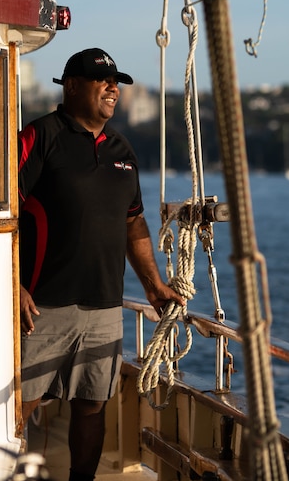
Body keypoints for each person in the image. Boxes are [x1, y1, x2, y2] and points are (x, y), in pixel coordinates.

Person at [17, 48, 184, 481]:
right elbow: (2, 214)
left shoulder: (122, 149)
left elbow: (134, 222)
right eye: (102, 80)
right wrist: (11, 284)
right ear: (72, 85)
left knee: (93, 406)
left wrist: (153, 284)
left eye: (116, 82)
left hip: (105, 305)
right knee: (20, 405)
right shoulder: (40, 136)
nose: (113, 88)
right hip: (42, 306)